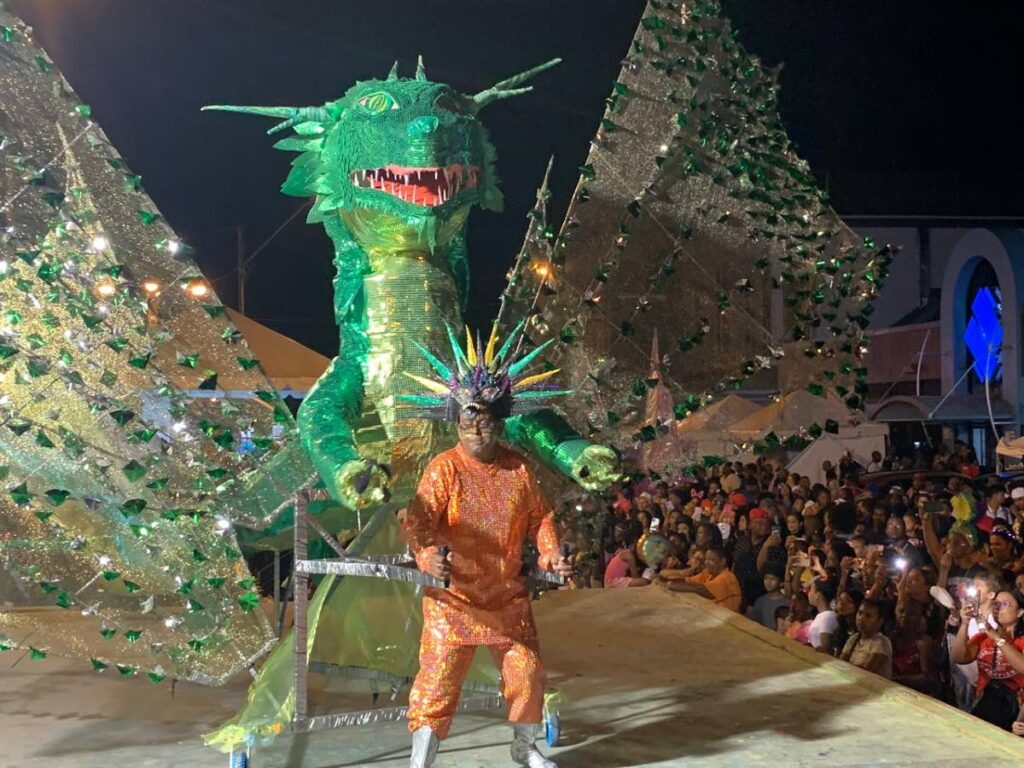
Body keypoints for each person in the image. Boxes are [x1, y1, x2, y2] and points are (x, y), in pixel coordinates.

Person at [403, 329, 575, 768]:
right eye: (466, 420)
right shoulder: (444, 469)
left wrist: (551, 552)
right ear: (456, 423)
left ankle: (524, 749)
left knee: (528, 674)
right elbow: (419, 519)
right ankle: (420, 760)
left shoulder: (518, 467)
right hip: (453, 602)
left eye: (484, 421)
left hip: (506, 597)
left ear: (499, 423)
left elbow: (541, 518)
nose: (476, 428)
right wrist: (427, 555)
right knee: (437, 683)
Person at [951, 589, 1024, 730]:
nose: (998, 609)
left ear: (1020, 612)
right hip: (986, 703)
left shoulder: (1020, 641)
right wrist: (965, 624)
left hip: (1015, 711)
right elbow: (959, 658)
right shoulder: (983, 638)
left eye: (1004, 604)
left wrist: (996, 637)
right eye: (995, 604)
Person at [660, 546, 742, 612]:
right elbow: (688, 580)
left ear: (722, 561)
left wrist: (672, 585)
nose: (706, 562)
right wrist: (666, 581)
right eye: (706, 559)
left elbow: (701, 589)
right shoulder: (708, 573)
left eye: (711, 560)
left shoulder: (727, 577)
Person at [839, 598, 893, 678]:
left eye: (868, 616)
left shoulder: (881, 642)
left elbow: (865, 672)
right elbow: (839, 664)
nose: (861, 618)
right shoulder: (854, 638)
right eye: (860, 613)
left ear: (879, 621)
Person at [746, 563, 789, 630]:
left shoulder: (786, 602)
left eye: (772, 579)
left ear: (781, 582)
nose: (768, 582)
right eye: (766, 578)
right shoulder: (760, 601)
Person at [807, 578, 840, 655]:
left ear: (817, 595)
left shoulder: (827, 617)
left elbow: (826, 647)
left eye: (811, 590)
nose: (809, 594)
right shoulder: (822, 616)